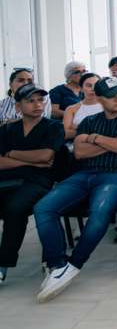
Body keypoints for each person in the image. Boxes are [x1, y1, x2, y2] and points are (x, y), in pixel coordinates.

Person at [34, 77, 117, 302]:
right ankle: (58, 264)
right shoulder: (89, 121)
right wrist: (115, 141)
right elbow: (80, 153)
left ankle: (74, 263)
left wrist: (95, 140)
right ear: (99, 98)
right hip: (84, 174)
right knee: (43, 207)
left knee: (99, 212)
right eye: (112, 95)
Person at [0, 84, 63, 283]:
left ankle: (3, 264)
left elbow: (46, 156)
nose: (38, 105)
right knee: (12, 207)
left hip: (38, 181)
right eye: (31, 101)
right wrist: (30, 160)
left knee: (15, 209)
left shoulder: (53, 127)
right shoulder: (7, 129)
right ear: (18, 106)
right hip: (7, 181)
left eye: (40, 100)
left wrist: (11, 154)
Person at [62, 73, 104, 140]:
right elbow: (65, 134)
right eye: (89, 85)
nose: (93, 89)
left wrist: (78, 128)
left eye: (96, 85)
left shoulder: (107, 106)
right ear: (81, 88)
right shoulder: (71, 109)